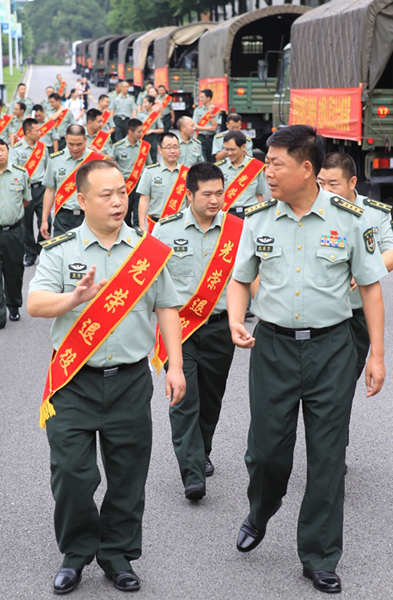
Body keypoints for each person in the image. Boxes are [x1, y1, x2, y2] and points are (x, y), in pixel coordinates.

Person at [227, 125, 386, 594]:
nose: (267, 172)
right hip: (272, 348)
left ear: (307, 169)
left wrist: (377, 353)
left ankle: (318, 555)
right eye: (267, 162)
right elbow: (240, 279)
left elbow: (372, 288)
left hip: (333, 349)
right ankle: (261, 509)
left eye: (276, 164)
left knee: (327, 456)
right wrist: (238, 319)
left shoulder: (350, 219)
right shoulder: (256, 219)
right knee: (268, 453)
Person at [28, 159, 185, 595]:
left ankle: (117, 554)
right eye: (106, 195)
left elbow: (167, 307)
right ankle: (75, 553)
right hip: (73, 381)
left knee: (128, 473)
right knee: (73, 475)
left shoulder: (146, 249)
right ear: (81, 201)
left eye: (122, 192)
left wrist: (174, 364)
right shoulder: (61, 249)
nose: (118, 202)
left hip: (130, 380)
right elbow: (36, 304)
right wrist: (72, 299)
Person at [152, 162, 240, 499]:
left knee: (211, 398)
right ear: (189, 195)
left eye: (220, 192)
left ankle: (201, 450)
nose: (215, 200)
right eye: (207, 194)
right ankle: (192, 473)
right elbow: (150, 282)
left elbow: (247, 280)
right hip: (180, 328)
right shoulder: (165, 231)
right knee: (184, 398)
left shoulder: (236, 231)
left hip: (219, 327)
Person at [318, 152, 393, 379]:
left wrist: (365, 270)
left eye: (333, 184)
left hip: (355, 314)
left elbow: (390, 251)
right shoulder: (311, 208)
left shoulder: (375, 211)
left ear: (352, 182)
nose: (326, 191)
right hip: (319, 313)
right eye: (321, 184)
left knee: (345, 381)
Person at [0, 137, 31, 330]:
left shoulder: (21, 174)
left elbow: (25, 201)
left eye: (2, 150)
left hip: (14, 231)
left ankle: (14, 304)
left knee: (14, 271)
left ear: (8, 151)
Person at [41, 124, 103, 238]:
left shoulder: (95, 160)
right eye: (71, 144)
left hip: (89, 215)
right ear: (65, 139)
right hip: (63, 217)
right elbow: (50, 190)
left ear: (86, 139)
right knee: (62, 252)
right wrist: (44, 220)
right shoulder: (55, 159)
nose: (75, 148)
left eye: (79, 144)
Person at [9, 117, 51, 267]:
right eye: (37, 130)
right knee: (26, 224)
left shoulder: (43, 147)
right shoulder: (16, 149)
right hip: (25, 190)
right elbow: (13, 172)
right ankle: (30, 253)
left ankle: (41, 248)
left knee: (46, 221)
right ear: (27, 132)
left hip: (41, 190)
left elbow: (49, 168)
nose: (40, 133)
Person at [137, 132, 186, 231]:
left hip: (180, 225)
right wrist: (142, 226)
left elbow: (190, 202)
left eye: (176, 147)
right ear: (160, 150)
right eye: (168, 148)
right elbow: (144, 200)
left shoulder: (187, 173)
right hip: (156, 225)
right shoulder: (150, 172)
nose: (172, 151)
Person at [216, 130, 267, 218]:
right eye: (227, 150)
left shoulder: (255, 166)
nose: (229, 153)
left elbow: (259, 195)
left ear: (243, 147)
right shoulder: (219, 168)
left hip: (250, 214)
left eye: (233, 149)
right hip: (228, 214)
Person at [113, 118, 152, 227]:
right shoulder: (118, 147)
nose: (142, 134)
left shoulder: (144, 146)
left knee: (138, 213)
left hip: (141, 183)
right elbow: (112, 164)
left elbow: (150, 165)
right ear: (130, 132)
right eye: (139, 131)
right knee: (124, 211)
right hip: (124, 184)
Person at [192, 89, 222, 162]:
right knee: (201, 159)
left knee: (212, 159)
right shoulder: (198, 110)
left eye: (202, 97)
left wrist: (211, 116)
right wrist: (208, 128)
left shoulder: (216, 110)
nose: (200, 99)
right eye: (200, 97)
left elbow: (214, 127)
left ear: (208, 98)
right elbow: (194, 126)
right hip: (200, 137)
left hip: (211, 139)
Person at [139, 95, 164, 161]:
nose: (143, 105)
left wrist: (152, 131)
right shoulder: (140, 114)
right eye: (143, 103)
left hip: (152, 138)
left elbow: (161, 129)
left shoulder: (156, 115)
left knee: (153, 157)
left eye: (145, 103)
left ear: (151, 104)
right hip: (142, 138)